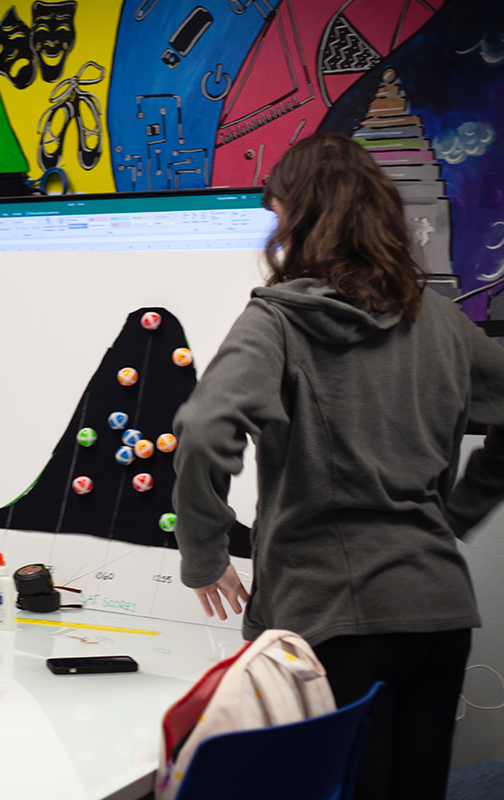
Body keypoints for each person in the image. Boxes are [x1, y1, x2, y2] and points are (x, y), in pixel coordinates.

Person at [171, 133, 504, 800]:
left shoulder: (277, 321)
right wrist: (453, 517)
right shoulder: (441, 322)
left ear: (298, 220)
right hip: (437, 611)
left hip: (332, 619)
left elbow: (205, 428)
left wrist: (203, 553)